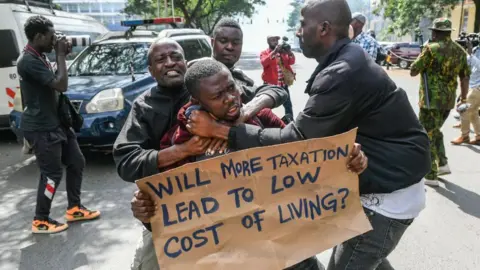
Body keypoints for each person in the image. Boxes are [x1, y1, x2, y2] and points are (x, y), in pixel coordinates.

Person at [184, 1, 431, 269]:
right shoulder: (345, 60)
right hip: (381, 182)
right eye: (217, 95)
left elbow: (296, 140)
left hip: (387, 195)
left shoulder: (341, 71)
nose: (298, 31)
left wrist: (222, 130)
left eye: (303, 24)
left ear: (324, 28)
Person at [131, 58, 368, 270]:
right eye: (217, 96)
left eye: (231, 88)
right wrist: (145, 210)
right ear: (198, 101)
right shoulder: (182, 141)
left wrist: (346, 161)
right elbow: (167, 209)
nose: (231, 99)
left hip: (289, 248)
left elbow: (303, 154)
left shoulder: (260, 118)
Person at [113, 31, 289, 268]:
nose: (170, 63)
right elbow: (127, 162)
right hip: (188, 227)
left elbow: (275, 95)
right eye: (160, 60)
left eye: (175, 57)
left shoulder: (214, 81)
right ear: (150, 70)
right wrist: (183, 150)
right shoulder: (144, 108)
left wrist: (237, 121)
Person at [17, 15, 100, 234]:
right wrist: (61, 54)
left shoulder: (40, 56)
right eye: (51, 36)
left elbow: (56, 79)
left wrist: (61, 55)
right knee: (52, 174)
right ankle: (40, 219)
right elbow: (61, 85)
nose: (55, 40)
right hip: (42, 127)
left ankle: (74, 207)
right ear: (38, 36)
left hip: (57, 123)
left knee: (76, 162)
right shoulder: (28, 61)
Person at [410, 18, 471, 187]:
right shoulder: (460, 51)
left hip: (430, 101)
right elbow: (465, 77)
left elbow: (413, 71)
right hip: (448, 101)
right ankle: (443, 163)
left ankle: (431, 173)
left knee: (426, 134)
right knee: (434, 130)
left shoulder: (431, 49)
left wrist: (423, 54)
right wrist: (464, 98)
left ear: (435, 33)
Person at [260, 35, 296, 122]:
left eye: (276, 40)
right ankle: (265, 123)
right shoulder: (264, 53)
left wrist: (289, 52)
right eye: (273, 40)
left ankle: (291, 124)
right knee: (265, 107)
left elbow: (291, 62)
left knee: (288, 106)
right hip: (269, 85)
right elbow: (264, 62)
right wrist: (274, 52)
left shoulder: (282, 53)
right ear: (268, 42)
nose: (275, 42)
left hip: (283, 85)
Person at [451, 39, 480, 145]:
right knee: (474, 113)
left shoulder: (470, 58)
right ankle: (478, 136)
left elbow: (465, 77)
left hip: (476, 89)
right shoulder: (470, 58)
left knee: (464, 110)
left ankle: (464, 136)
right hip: (476, 89)